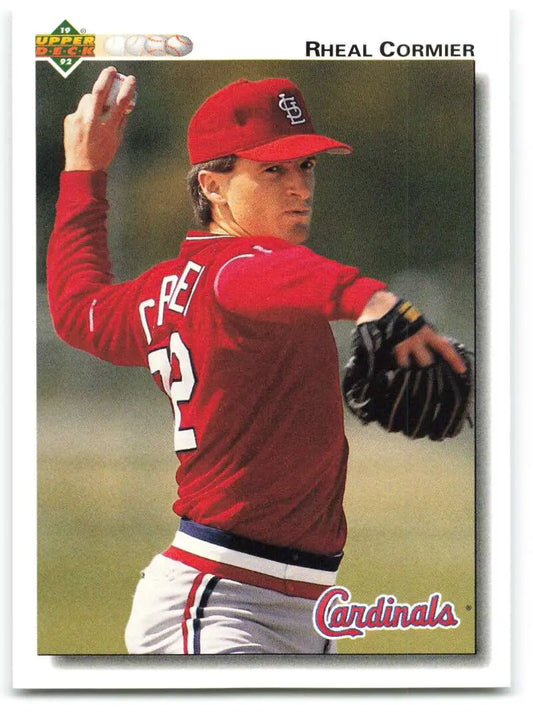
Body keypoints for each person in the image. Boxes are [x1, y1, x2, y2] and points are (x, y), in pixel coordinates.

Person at [47, 66, 466, 655]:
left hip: (302, 608)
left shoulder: (162, 290)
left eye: (306, 166)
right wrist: (371, 299)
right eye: (272, 169)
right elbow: (272, 272)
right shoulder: (238, 269)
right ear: (213, 186)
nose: (299, 186)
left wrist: (84, 175)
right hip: (220, 604)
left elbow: (77, 308)